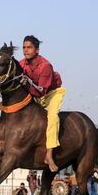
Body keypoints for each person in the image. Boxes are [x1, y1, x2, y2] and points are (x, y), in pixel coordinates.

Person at [20, 35, 65, 172]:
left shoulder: (45, 66)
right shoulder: (21, 64)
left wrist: (26, 84)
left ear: (37, 50)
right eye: (24, 47)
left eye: (29, 47)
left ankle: (49, 154)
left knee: (52, 118)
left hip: (51, 94)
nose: (26, 50)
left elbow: (41, 93)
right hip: (36, 93)